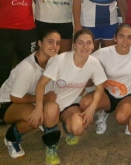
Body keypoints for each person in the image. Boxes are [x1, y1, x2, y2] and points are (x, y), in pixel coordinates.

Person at [29, 29, 107, 164]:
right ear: (74, 45)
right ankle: (51, 145)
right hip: (51, 102)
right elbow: (40, 85)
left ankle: (66, 127)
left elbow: (100, 87)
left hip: (69, 105)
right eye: (81, 43)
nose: (85, 47)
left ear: (93, 46)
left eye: (88, 43)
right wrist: (38, 108)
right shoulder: (60, 60)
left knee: (77, 128)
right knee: (52, 110)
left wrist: (91, 108)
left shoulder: (93, 63)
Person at [0, 29, 61, 164]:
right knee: (38, 117)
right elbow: (15, 98)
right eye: (50, 42)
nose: (54, 46)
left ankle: (47, 134)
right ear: (40, 43)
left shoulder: (53, 60)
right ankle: (11, 138)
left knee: (51, 109)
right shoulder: (28, 67)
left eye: (58, 43)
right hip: (7, 103)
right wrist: (42, 100)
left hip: (30, 98)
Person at [80, 23, 131, 135]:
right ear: (115, 38)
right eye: (121, 36)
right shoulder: (104, 53)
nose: (125, 41)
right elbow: (84, 62)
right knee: (85, 103)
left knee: (121, 118)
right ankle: (102, 113)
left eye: (129, 37)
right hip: (109, 93)